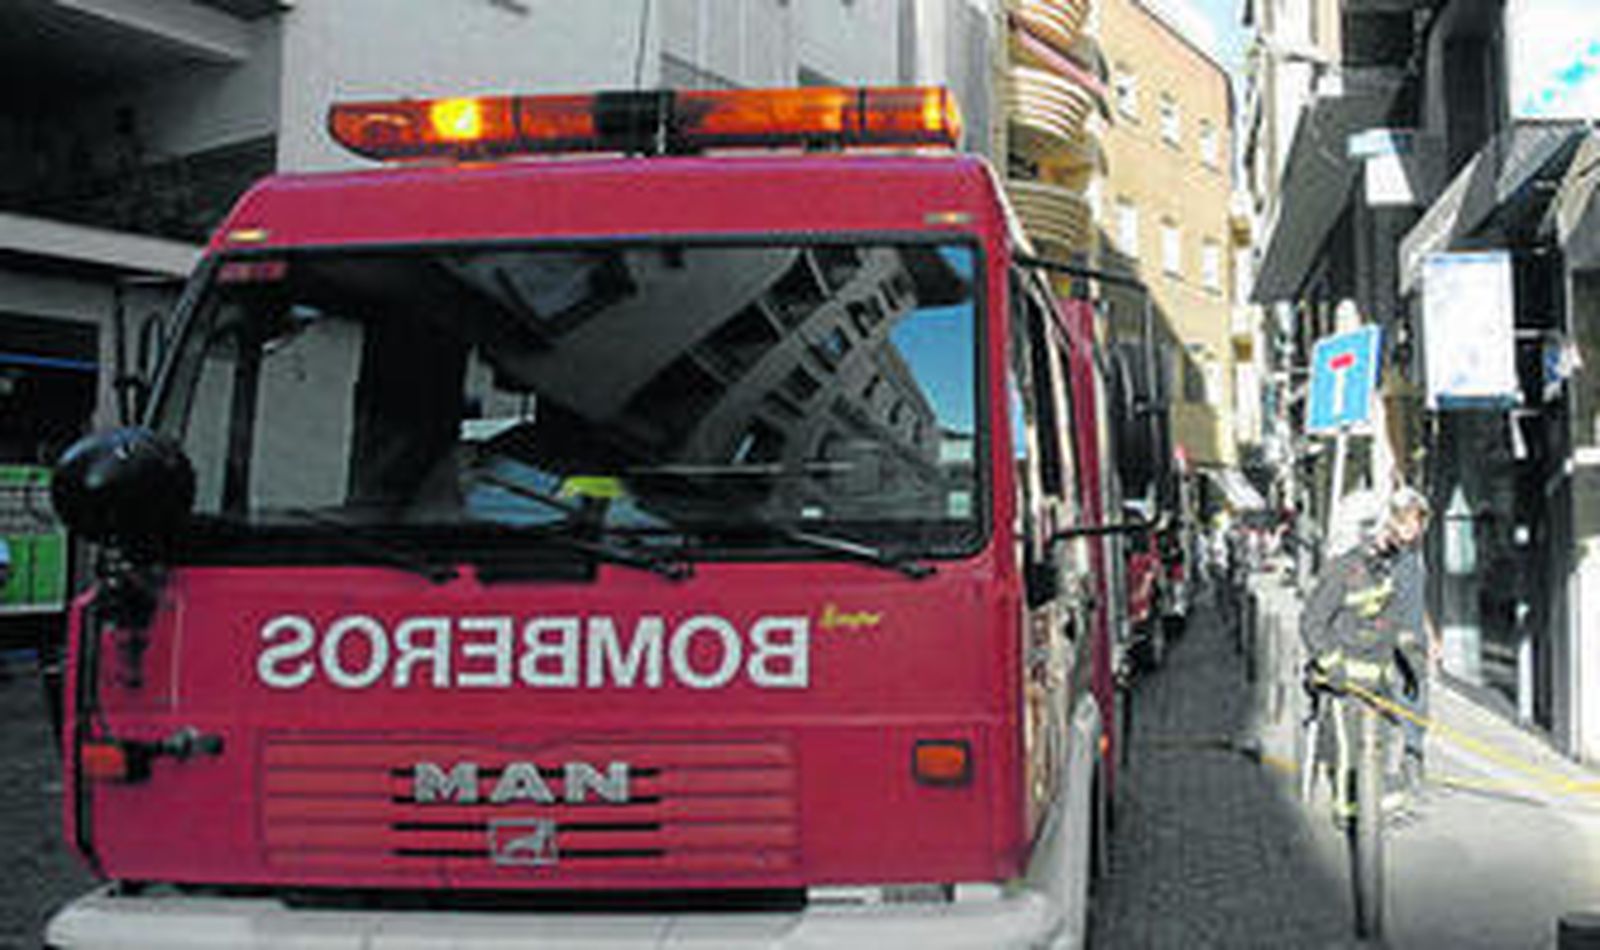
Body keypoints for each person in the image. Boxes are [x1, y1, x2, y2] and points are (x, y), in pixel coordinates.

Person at [1300, 486, 1434, 803]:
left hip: (1379, 672)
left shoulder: (1387, 566)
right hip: (1346, 679)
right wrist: (1333, 667)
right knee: (1353, 744)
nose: (1407, 531)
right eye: (1401, 523)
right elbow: (1314, 623)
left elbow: (1394, 614)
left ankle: (1378, 795)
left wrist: (1414, 647)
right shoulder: (1345, 569)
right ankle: (1353, 807)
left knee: (1386, 732)